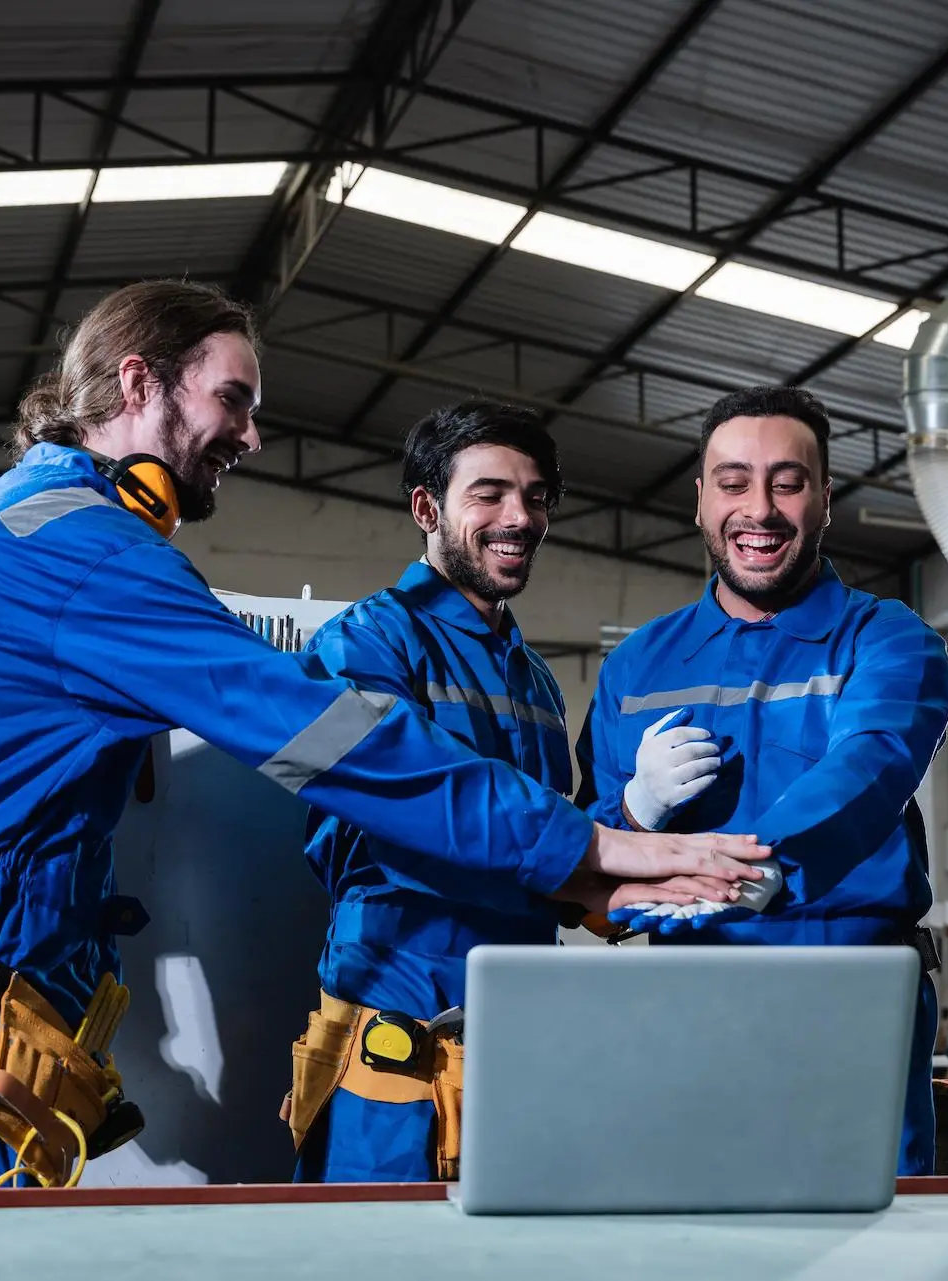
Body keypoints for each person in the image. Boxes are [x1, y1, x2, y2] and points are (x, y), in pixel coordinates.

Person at [0, 280, 767, 1191]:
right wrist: (591, 841)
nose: (253, 435)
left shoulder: (2, 524)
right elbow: (334, 741)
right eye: (232, 398)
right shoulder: (88, 555)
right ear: (139, 380)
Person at [577, 385, 948, 1177]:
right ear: (701, 500)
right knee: (699, 1241)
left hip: (852, 996)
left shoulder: (887, 638)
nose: (760, 508)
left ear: (824, 500)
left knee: (869, 1244)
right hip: (685, 1004)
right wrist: (637, 813)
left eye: (788, 481)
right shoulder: (637, 665)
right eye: (734, 481)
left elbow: (873, 757)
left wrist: (760, 861)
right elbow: (593, 852)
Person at [287, 401, 608, 1182]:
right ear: (427, 508)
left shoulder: (532, 674)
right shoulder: (367, 640)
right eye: (489, 494)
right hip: (399, 1023)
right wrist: (595, 855)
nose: (520, 517)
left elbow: (549, 842)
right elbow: (404, 821)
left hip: (518, 1024)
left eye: (535, 497)